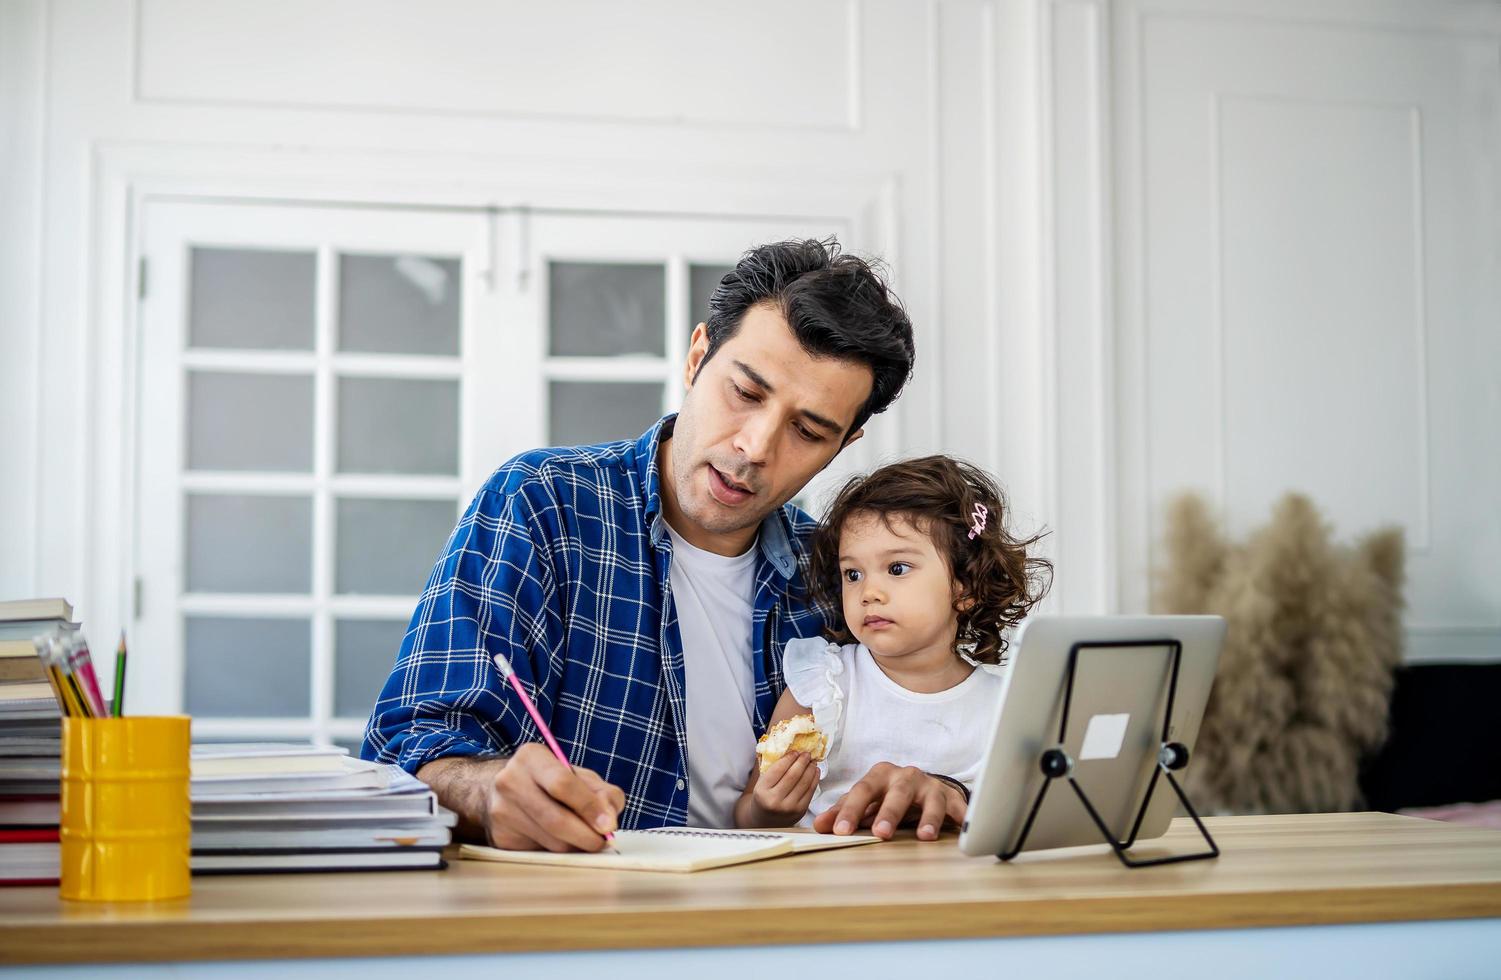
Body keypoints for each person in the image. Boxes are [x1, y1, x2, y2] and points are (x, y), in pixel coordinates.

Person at [362, 238, 935, 852]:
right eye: (745, 393)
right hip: (582, 928)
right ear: (696, 359)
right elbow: (405, 753)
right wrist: (489, 791)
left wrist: (935, 786)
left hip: (786, 928)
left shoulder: (841, 577)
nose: (757, 447)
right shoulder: (542, 506)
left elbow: (916, 731)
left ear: (843, 446)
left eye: (808, 430)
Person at [734, 456, 1051, 840]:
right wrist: (766, 811)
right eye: (853, 574)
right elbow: (747, 810)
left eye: (897, 568)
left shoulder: (1006, 707)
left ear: (964, 588)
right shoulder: (823, 684)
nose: (869, 592)